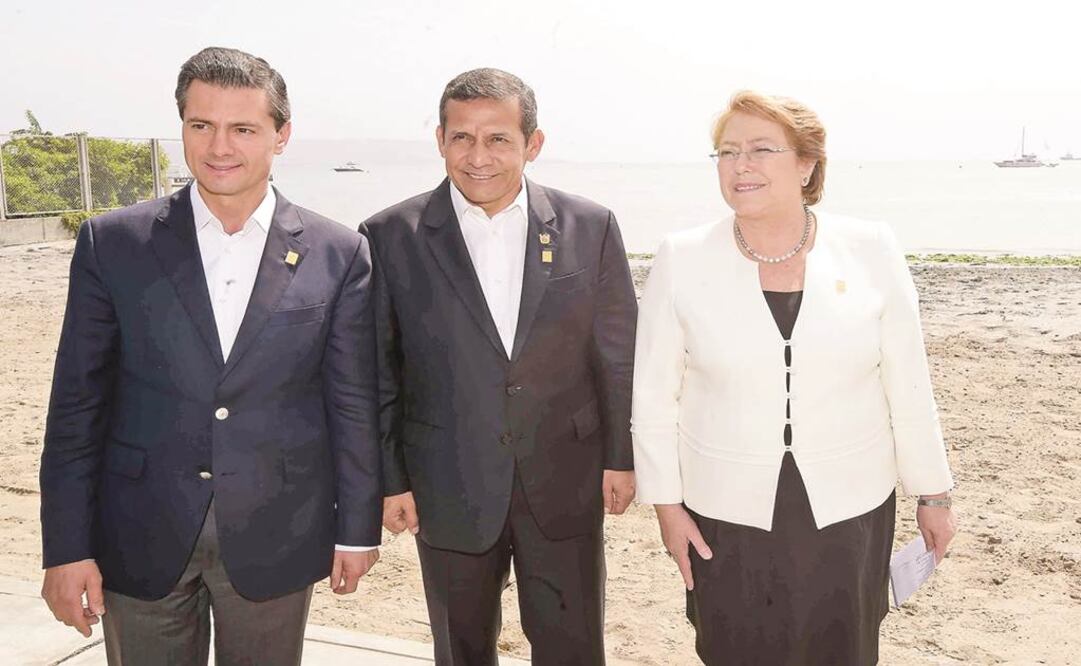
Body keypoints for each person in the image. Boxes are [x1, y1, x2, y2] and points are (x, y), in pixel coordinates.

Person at [38, 46, 382, 666]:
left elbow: (352, 403)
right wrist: (65, 547)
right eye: (201, 125)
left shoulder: (340, 252)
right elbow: (75, 409)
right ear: (182, 128)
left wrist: (357, 527)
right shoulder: (111, 243)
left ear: (281, 136)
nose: (219, 146)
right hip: (137, 529)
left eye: (243, 128)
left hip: (278, 530)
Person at [631, 90, 957, 665]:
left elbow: (908, 385)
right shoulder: (681, 257)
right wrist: (666, 504)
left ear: (807, 164)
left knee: (842, 650)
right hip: (724, 511)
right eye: (727, 152)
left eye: (761, 149)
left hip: (848, 507)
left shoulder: (871, 247)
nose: (741, 165)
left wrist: (932, 493)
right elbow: (655, 398)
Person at [360, 68, 637, 665]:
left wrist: (621, 457)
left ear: (532, 144)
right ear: (439, 139)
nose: (477, 156)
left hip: (565, 476)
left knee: (573, 648)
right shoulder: (388, 236)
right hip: (447, 484)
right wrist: (390, 479)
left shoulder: (591, 227)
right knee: (460, 651)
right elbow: (379, 372)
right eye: (461, 137)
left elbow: (616, 356)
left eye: (498, 139)